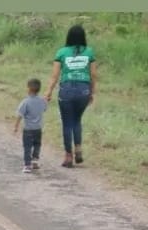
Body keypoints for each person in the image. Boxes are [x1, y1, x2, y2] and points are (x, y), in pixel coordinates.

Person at [44, 24, 97, 168]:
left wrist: (48, 91)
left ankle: (68, 156)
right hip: (83, 90)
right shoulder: (89, 52)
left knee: (67, 123)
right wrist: (92, 92)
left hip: (66, 90)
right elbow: (93, 75)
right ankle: (78, 148)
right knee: (77, 120)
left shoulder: (61, 52)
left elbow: (54, 76)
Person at [14, 78, 47, 173]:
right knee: (37, 145)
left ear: (28, 89)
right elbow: (44, 109)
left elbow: (20, 115)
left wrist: (16, 126)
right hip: (38, 129)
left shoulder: (25, 102)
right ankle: (35, 162)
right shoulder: (42, 100)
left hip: (28, 129)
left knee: (27, 147)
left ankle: (27, 165)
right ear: (39, 89)